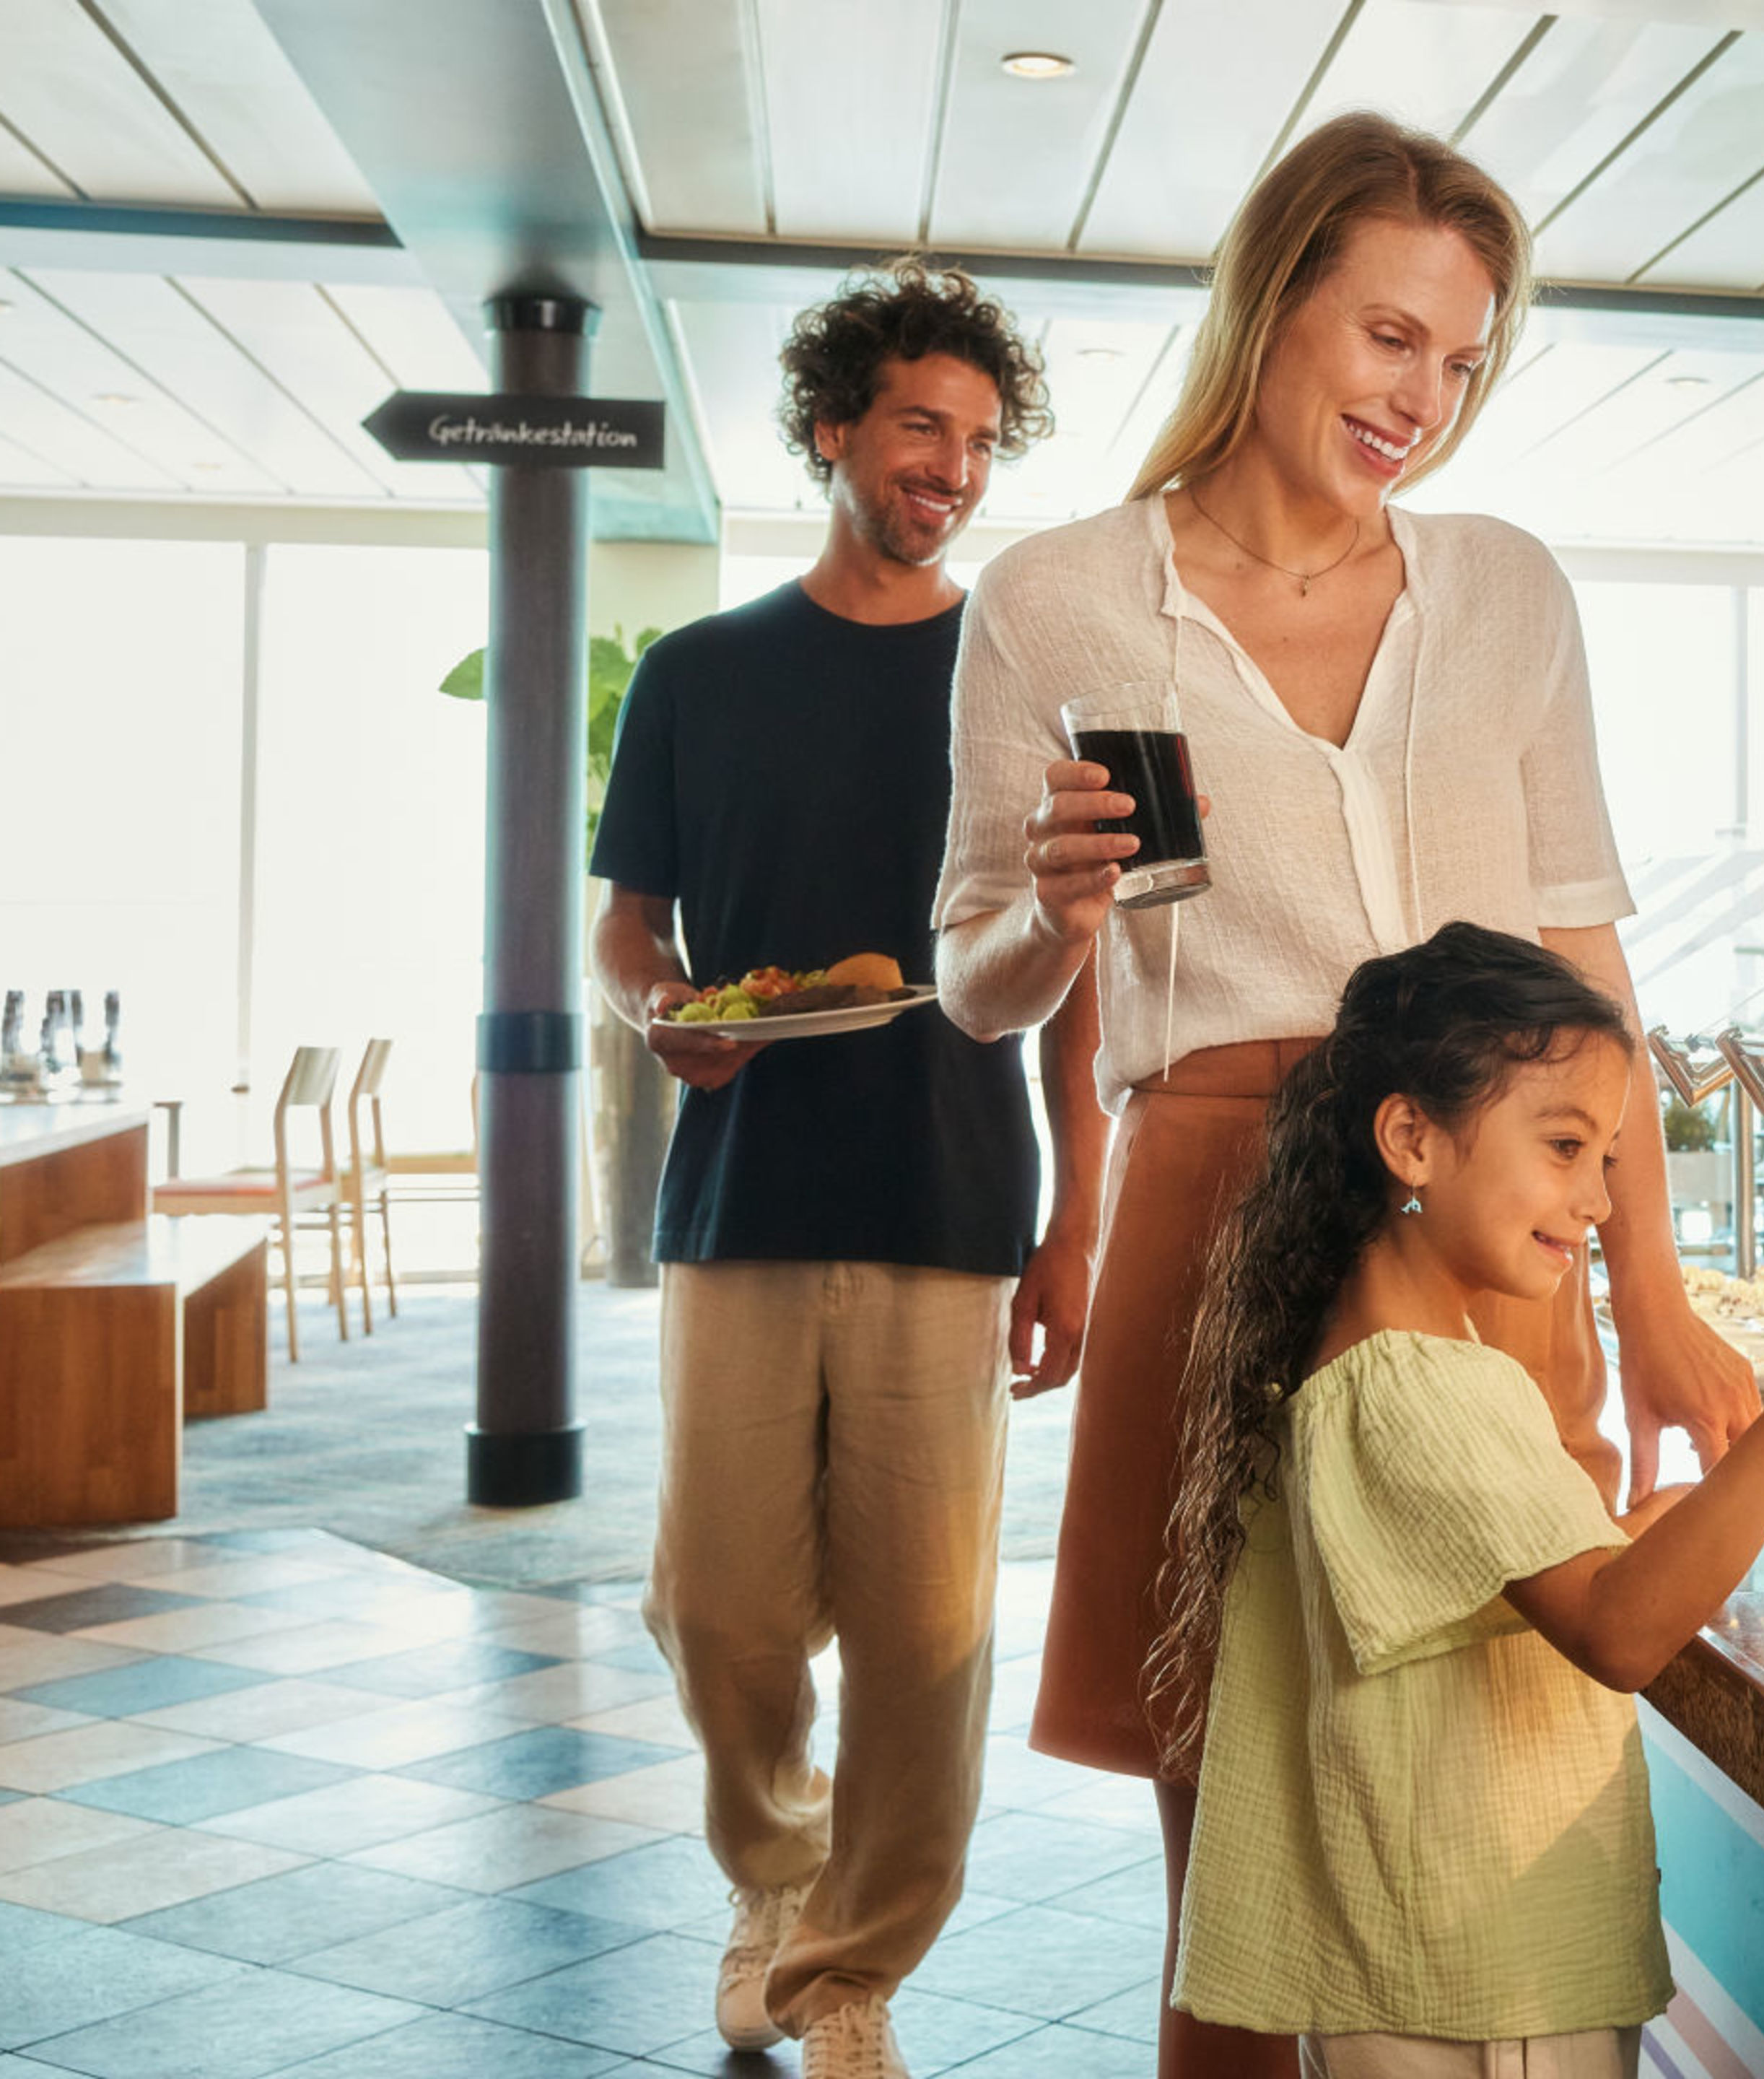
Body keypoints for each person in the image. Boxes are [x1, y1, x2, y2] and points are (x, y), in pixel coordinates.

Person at [932, 112, 1760, 2076]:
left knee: (1490, 1740)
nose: (1426, 400)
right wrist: (1054, 917)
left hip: (1486, 1217)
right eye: (1393, 338)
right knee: (1231, 1795)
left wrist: (1647, 1288)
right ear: (1274, 297)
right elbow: (973, 979)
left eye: (1463, 362)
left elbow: (1590, 969)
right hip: (1218, 1205)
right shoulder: (1056, 602)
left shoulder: (1507, 591)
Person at [1153, 923, 1764, 2075]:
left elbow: (1506, 1575)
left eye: (1607, 1157)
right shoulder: (1426, 1383)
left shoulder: (1372, 1346)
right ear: (1413, 1138)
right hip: (1483, 1990)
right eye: (1565, 1146)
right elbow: (1619, 1628)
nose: (1600, 1201)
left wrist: (1672, 1517)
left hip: (1423, 1976)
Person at [590, 259, 1105, 2079]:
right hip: (735, 1199)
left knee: (927, 1633)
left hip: (951, 1204)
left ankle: (853, 1970)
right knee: (719, 1603)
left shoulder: (1025, 686)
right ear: (833, 430)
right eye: (916, 427)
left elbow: (1077, 989)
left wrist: (1075, 1236)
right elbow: (627, 929)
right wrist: (663, 1012)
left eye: (975, 440)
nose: (949, 467)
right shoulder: (698, 675)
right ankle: (771, 1876)